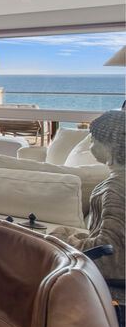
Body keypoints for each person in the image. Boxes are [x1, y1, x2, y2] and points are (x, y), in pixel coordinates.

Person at [49, 109, 125, 301]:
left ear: (110, 147)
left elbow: (108, 253)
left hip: (107, 293)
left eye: (93, 141)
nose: (90, 146)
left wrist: (62, 240)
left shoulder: (115, 189)